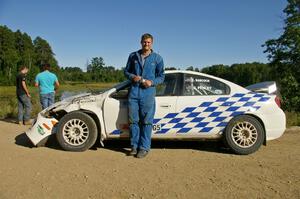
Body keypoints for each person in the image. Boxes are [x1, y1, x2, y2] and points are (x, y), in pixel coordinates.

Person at [124, 33, 165, 158]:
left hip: (148, 94)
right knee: (133, 122)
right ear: (140, 42)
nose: (146, 44)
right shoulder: (133, 56)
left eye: (148, 42)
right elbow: (126, 72)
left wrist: (151, 82)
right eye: (144, 42)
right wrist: (132, 77)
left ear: (151, 43)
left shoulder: (157, 58)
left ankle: (144, 147)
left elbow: (161, 77)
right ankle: (134, 146)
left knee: (147, 122)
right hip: (134, 93)